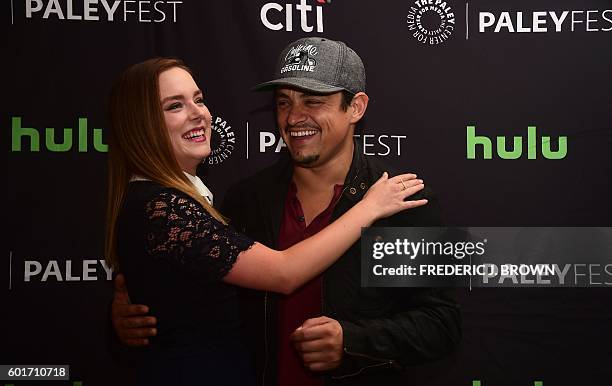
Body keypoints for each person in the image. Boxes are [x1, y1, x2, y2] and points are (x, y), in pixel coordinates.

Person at [105, 56, 428, 386]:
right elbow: (247, 286)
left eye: (313, 101)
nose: (295, 116)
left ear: (356, 108)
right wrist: (130, 313)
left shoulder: (403, 200)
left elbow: (441, 321)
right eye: (284, 102)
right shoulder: (244, 200)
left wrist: (354, 341)